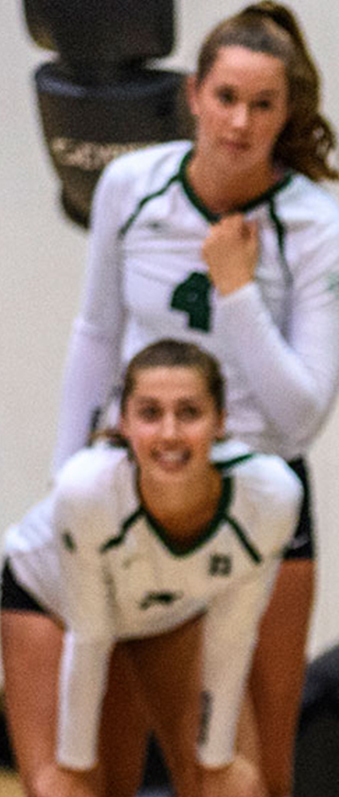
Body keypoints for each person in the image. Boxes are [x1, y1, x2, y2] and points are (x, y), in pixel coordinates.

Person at [50, 1, 339, 797]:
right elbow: (95, 334)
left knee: (253, 765)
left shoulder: (314, 224)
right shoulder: (131, 186)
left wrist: (239, 292)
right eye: (226, 97)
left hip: (262, 502)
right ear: (193, 93)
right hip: (136, 489)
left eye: (263, 105)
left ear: (288, 115)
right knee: (109, 750)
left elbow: (300, 417)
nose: (240, 122)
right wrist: (65, 479)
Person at [3, 340, 301, 797]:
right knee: (66, 788)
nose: (169, 434)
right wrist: (74, 766)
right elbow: (91, 637)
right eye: (149, 413)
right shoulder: (84, 490)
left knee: (233, 785)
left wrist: (216, 761)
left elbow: (231, 637)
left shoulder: (270, 496)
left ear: (221, 422)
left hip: (165, 612)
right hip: (50, 601)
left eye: (189, 412)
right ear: (122, 423)